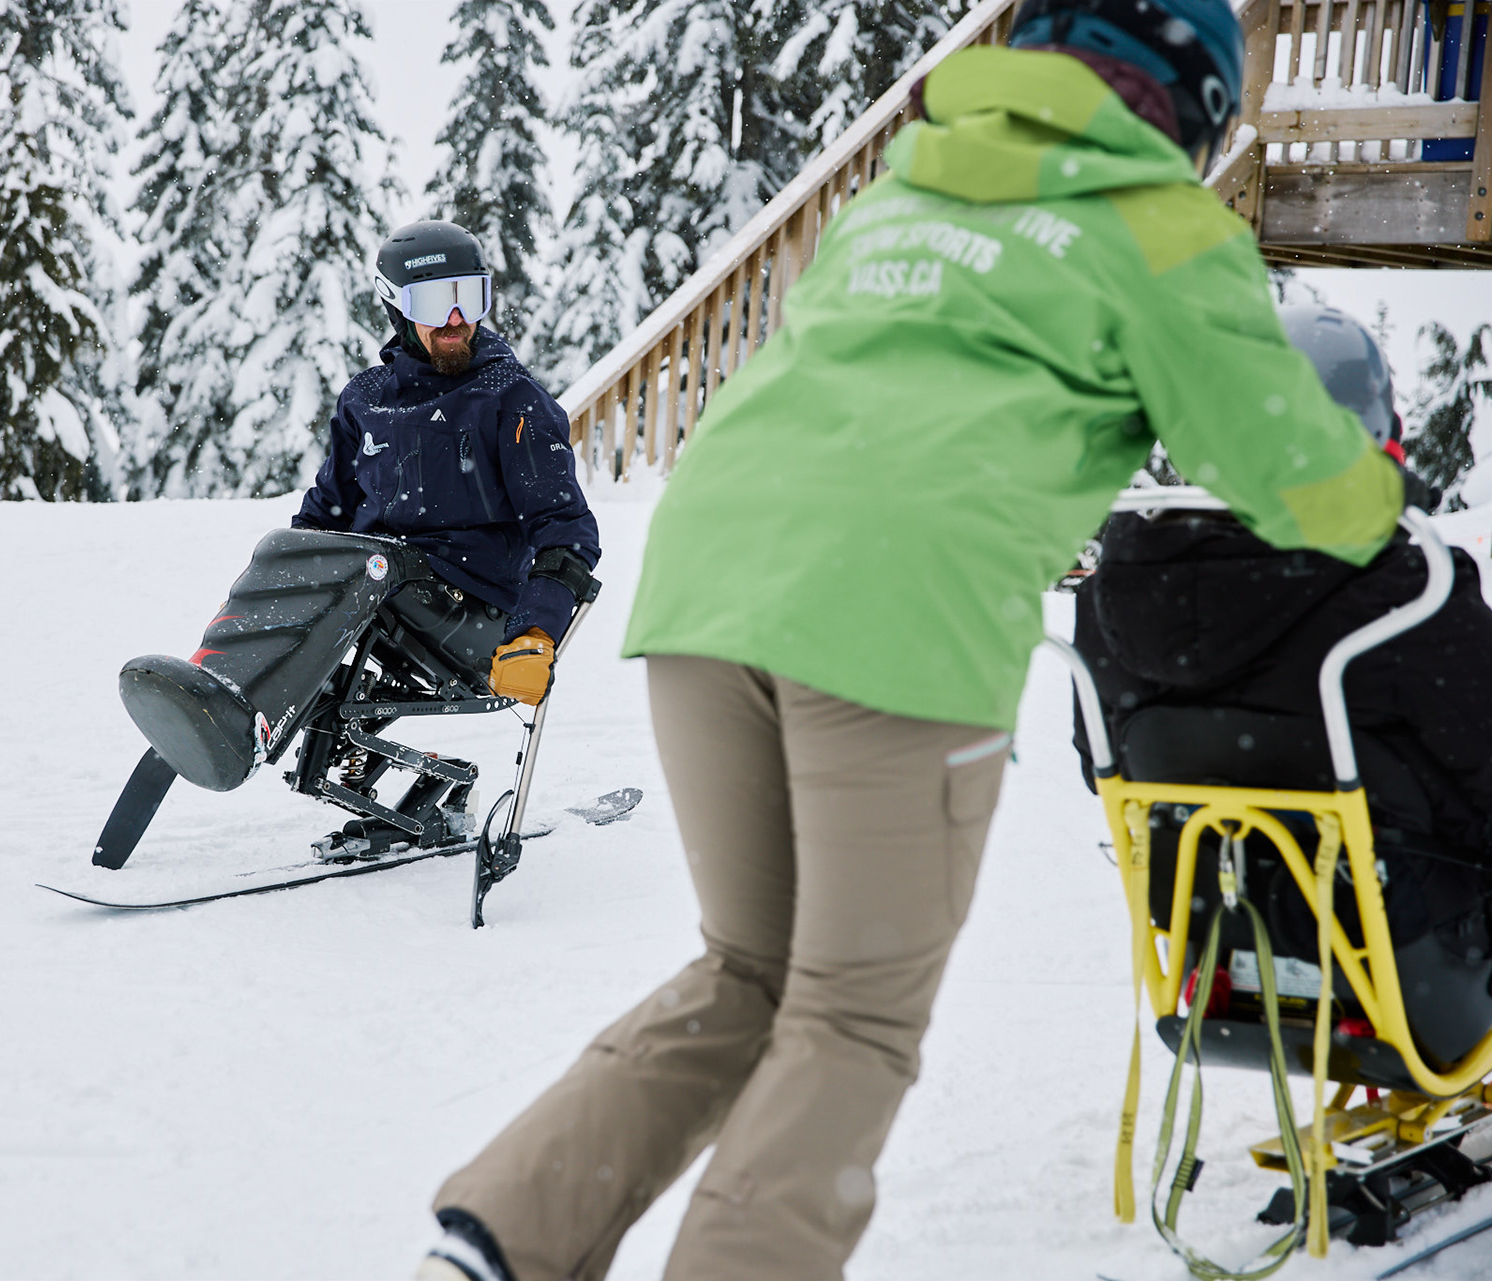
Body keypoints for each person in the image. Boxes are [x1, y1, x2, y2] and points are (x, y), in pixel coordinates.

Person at [416, 1, 1407, 1278]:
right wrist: (1375, 490)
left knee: (749, 969)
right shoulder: (1164, 227)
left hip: (710, 586)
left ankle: (506, 1244)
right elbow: (1291, 476)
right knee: (855, 1017)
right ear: (1196, 103)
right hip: (892, 618)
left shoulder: (901, 200)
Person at [1071, 305, 1492, 854]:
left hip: (1211, 916)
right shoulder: (1414, 601)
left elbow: (1104, 770)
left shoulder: (1112, 604)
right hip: (1405, 925)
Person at [294, 220, 599, 706]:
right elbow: (323, 517)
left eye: (470, 298)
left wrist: (535, 631)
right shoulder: (365, 400)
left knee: (367, 570)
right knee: (286, 553)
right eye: (436, 303)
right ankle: (223, 690)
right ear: (395, 305)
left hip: (478, 614)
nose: (457, 319)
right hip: (381, 594)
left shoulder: (509, 399)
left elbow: (564, 527)